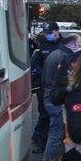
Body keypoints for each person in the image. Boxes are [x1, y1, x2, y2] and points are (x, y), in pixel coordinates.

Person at [38, 32, 81, 161]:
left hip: (49, 96)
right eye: (80, 45)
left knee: (57, 134)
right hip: (55, 100)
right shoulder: (64, 58)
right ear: (74, 44)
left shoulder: (55, 52)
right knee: (56, 134)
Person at [30, 21, 64, 150]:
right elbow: (35, 63)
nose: (48, 35)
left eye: (50, 32)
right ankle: (42, 143)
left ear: (57, 31)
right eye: (46, 33)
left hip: (60, 86)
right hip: (44, 87)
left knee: (59, 116)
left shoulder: (63, 45)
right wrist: (43, 73)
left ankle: (58, 143)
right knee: (44, 115)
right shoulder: (43, 46)